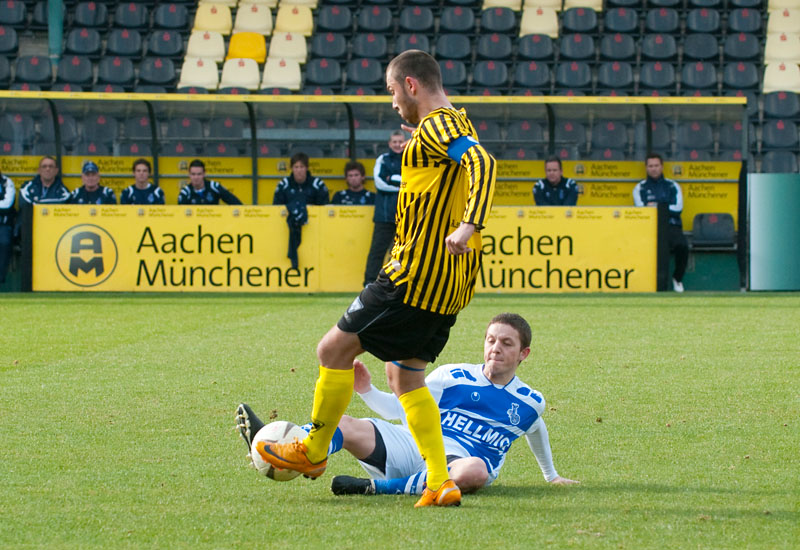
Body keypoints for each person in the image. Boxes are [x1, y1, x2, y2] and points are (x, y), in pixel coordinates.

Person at [251, 50, 497, 508]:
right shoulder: (454, 123)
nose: (392, 102)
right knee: (405, 376)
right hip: (450, 288)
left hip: (414, 275)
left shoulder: (438, 124)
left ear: (411, 85)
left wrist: (469, 225)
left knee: (332, 350)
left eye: (391, 91)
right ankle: (439, 480)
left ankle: (313, 450)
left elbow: (483, 162)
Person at [236, 314, 578, 499]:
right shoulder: (454, 376)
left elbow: (536, 430)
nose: (495, 348)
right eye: (491, 340)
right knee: (342, 424)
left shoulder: (530, 401)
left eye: (506, 343)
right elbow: (404, 410)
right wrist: (367, 390)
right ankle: (281, 445)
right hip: (413, 447)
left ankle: (375, 489)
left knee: (476, 471)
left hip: (456, 467)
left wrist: (551, 475)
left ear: (523, 353)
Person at [632, 153, 689, 293]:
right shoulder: (640, 188)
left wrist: (656, 206)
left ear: (662, 167)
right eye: (650, 166)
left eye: (656, 165)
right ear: (646, 168)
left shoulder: (673, 185)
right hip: (648, 228)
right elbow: (641, 209)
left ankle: (677, 278)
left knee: (682, 245)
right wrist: (664, 206)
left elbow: (678, 208)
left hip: (671, 226)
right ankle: (641, 280)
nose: (654, 169)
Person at [272, 152, 330, 269]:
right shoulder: (284, 185)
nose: (299, 170)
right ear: (291, 168)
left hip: (313, 231)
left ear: (307, 168)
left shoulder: (317, 184)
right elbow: (276, 208)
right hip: (287, 230)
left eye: (302, 167)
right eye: (296, 167)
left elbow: (324, 207)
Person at [363, 130, 406, 287]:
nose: (397, 145)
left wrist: (393, 179)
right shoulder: (383, 159)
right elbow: (380, 183)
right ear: (389, 143)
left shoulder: (410, 158)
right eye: (394, 142)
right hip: (385, 215)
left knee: (402, 253)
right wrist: (402, 187)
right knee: (377, 251)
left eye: (400, 141)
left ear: (404, 142)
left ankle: (398, 283)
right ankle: (369, 283)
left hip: (405, 216)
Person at [178, 159, 242, 205]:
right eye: (193, 174)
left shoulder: (214, 186)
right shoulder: (185, 192)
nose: (196, 177)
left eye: (199, 174)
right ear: (189, 174)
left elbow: (236, 203)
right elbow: (180, 214)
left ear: (204, 174)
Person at [0, 170, 15, 284]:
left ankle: (1, 278)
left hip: (2, 224)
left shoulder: (6, 182)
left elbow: (7, 204)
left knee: (4, 242)